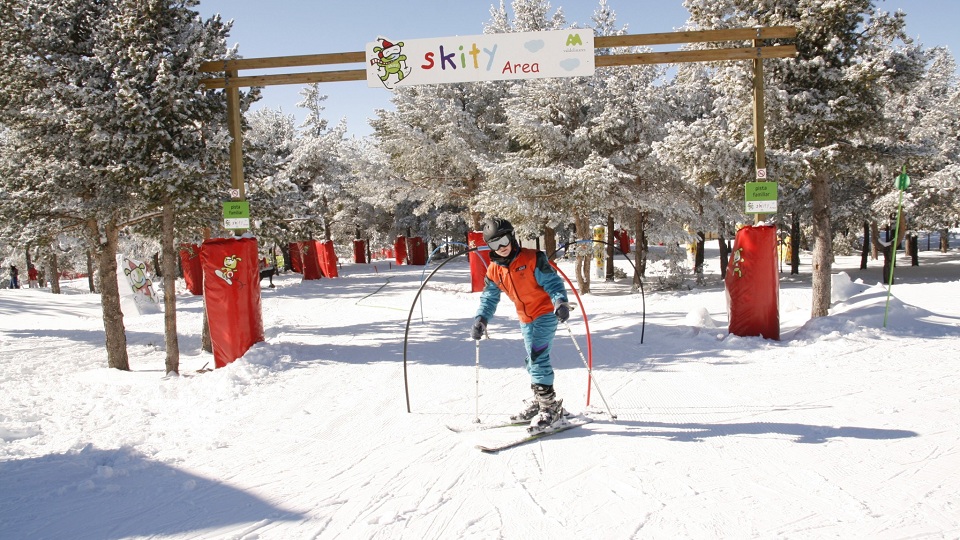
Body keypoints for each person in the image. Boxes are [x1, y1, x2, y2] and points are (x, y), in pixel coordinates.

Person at [471, 217, 572, 433]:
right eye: (494, 244)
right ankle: (540, 400)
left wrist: (560, 302)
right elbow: (489, 297)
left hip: (545, 313)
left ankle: (550, 409)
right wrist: (482, 318)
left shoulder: (534, 258)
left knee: (538, 358)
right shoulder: (494, 270)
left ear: (513, 237)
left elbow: (553, 282)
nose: (502, 248)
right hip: (525, 319)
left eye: (504, 241)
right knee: (531, 360)